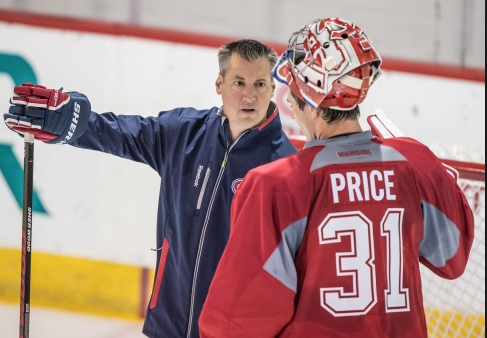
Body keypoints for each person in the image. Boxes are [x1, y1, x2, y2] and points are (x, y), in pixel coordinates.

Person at [199, 17, 475, 337]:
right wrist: (434, 173)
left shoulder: (274, 186)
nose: (287, 99)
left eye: (293, 89)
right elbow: (452, 258)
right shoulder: (413, 163)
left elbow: (236, 325)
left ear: (311, 101)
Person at [3, 39, 297, 338]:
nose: (250, 95)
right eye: (239, 82)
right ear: (219, 84)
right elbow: (122, 134)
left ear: (272, 89)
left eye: (260, 84)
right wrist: (74, 124)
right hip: (169, 323)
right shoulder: (184, 132)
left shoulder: (284, 167)